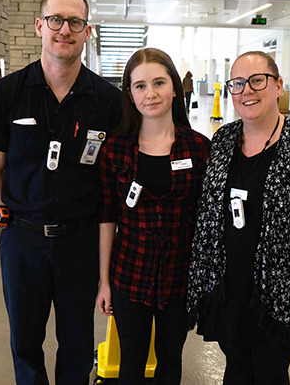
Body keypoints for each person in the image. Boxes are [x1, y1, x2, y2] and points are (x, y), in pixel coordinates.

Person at [0, 0, 121, 384]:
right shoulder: (6, 94)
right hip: (22, 241)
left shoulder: (107, 100)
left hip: (80, 242)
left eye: (76, 22)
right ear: (40, 26)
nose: (65, 29)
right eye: (56, 19)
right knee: (25, 340)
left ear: (87, 31)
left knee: (76, 341)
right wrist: (16, 213)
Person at [186, 51, 290, 384]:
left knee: (270, 372)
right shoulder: (224, 141)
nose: (247, 91)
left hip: (279, 292)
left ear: (278, 86)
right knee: (236, 368)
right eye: (238, 83)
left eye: (258, 80)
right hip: (230, 288)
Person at [96, 48, 210, 385]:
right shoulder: (115, 149)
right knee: (131, 362)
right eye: (140, 86)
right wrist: (103, 282)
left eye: (159, 83)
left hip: (180, 276)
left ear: (175, 87)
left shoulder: (198, 148)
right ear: (129, 94)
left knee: (170, 361)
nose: (151, 94)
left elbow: (207, 221)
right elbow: (107, 218)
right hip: (130, 273)